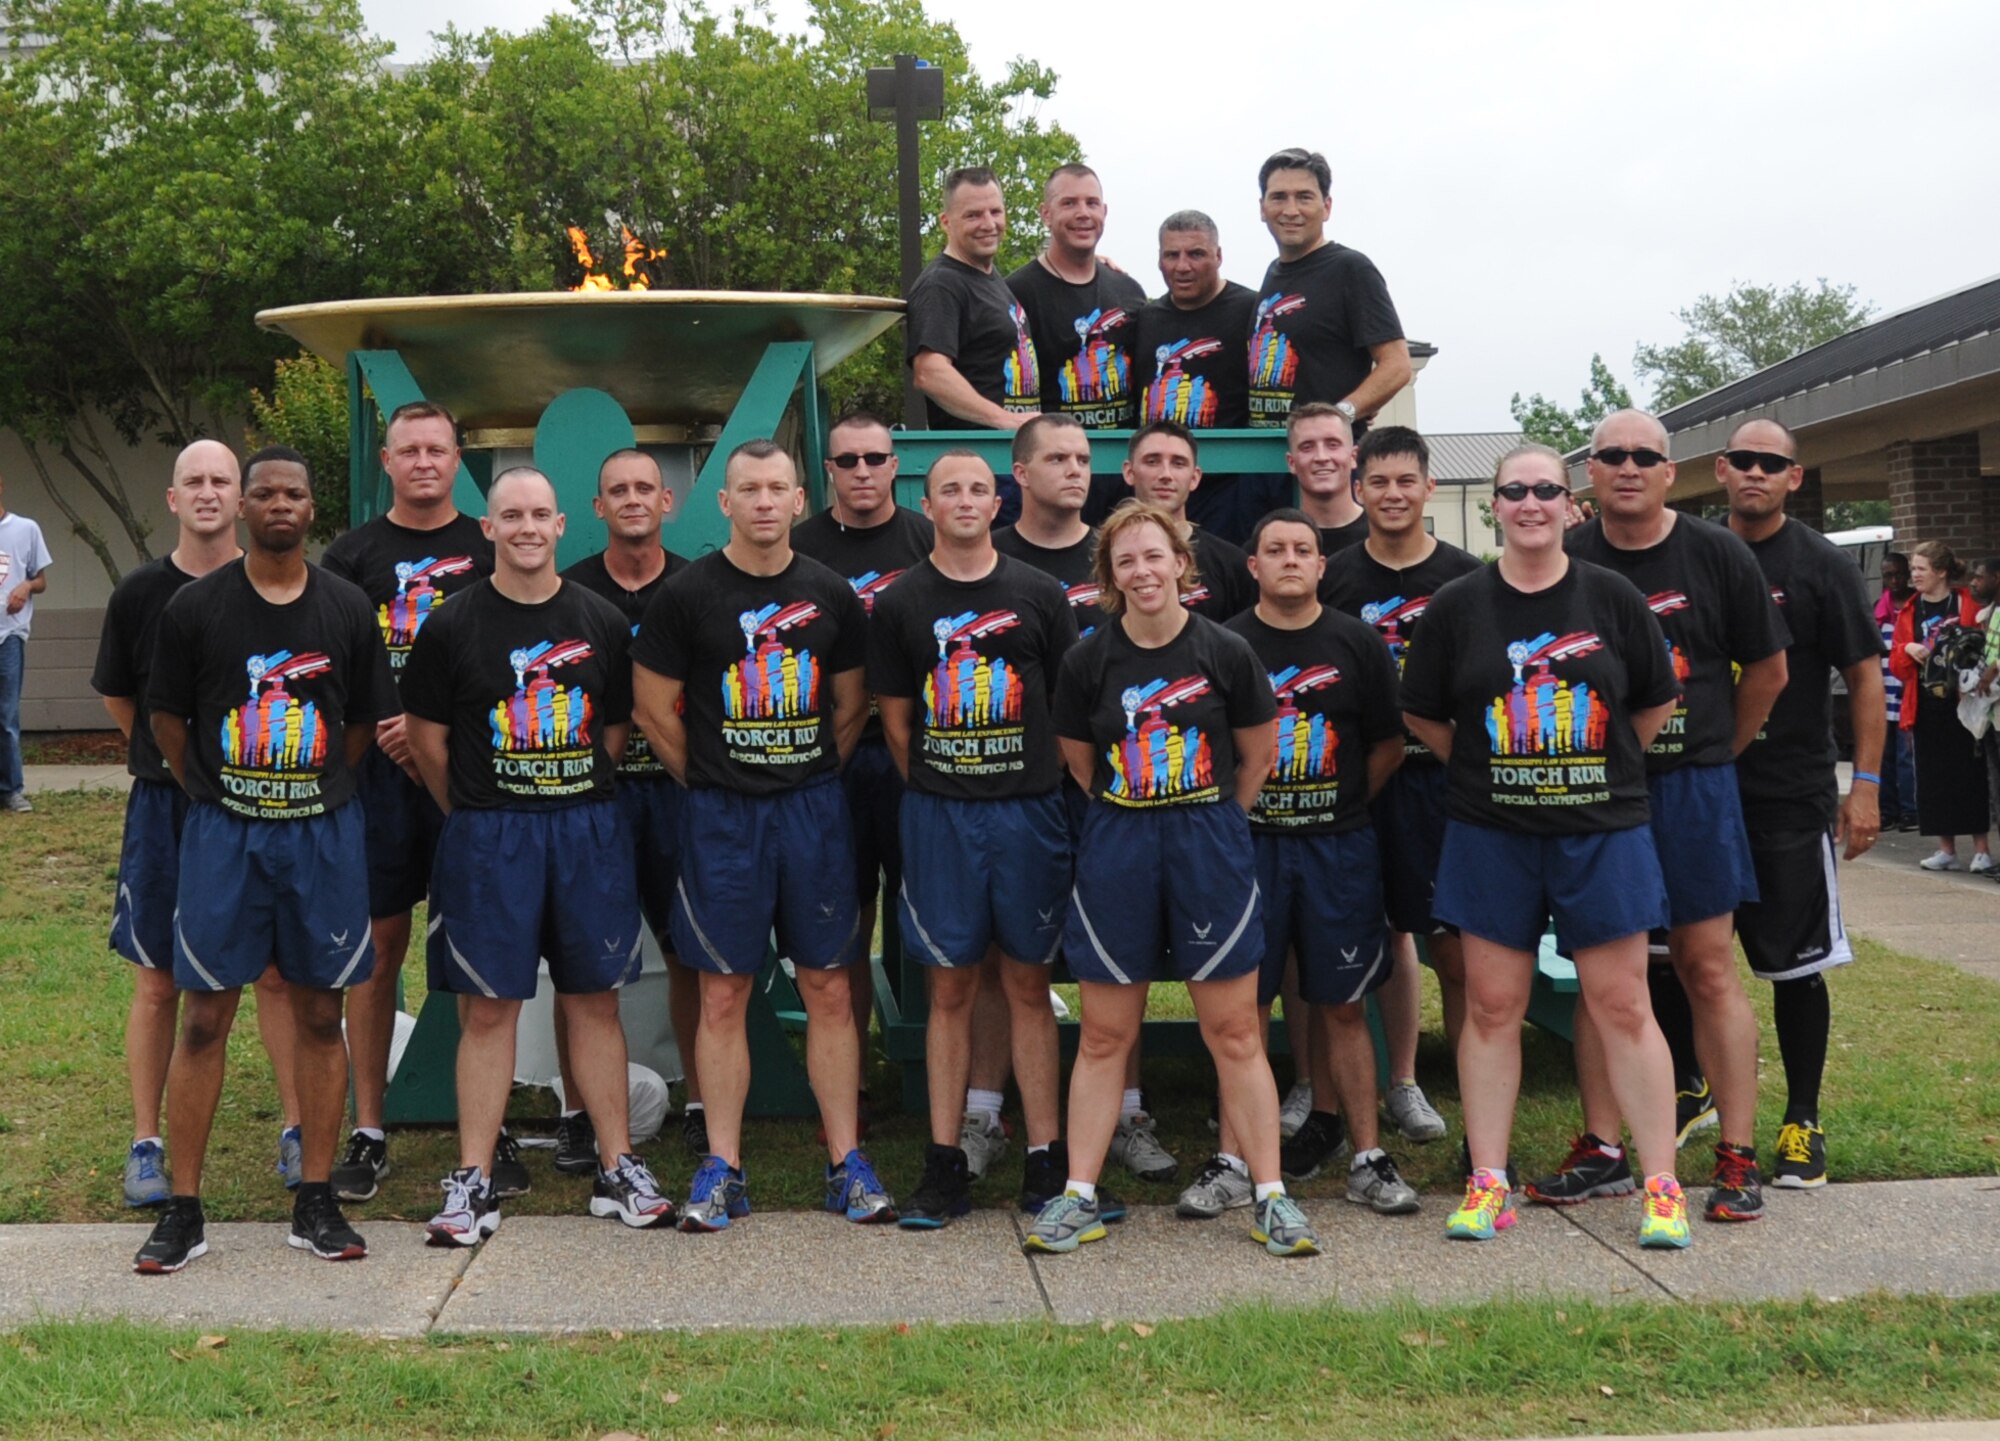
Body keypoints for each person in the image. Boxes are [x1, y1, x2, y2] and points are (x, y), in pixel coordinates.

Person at [1400, 444, 1690, 1250]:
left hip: (1602, 831)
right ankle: (1488, 1181)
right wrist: (1495, 764)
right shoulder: (1459, 604)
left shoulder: (1612, 595)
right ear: (1493, 505)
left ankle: (1662, 1186)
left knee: (1623, 1004)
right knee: (1492, 1006)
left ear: (1571, 505)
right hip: (1493, 832)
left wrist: (1591, 770)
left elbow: (1655, 704)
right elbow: (1425, 713)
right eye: (1514, 490)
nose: (1530, 502)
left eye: (1545, 491)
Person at [134, 446, 398, 1273]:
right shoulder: (196, 608)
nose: (279, 503)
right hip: (224, 833)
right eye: (264, 492)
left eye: (294, 493)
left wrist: (309, 789)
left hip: (320, 833)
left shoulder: (348, 607)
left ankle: (315, 1199)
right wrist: (218, 792)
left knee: (321, 1013)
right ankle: (184, 1206)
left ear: (312, 510)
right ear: (244, 508)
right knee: (204, 1014)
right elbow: (168, 722)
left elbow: (357, 727)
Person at [1032, 501, 1319, 1259]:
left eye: (1154, 556)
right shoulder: (1088, 661)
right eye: (1126, 561)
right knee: (1103, 1032)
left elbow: (1256, 757)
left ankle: (1271, 1196)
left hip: (1208, 842)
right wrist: (1138, 811)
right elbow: (1080, 762)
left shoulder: (1224, 651)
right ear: (1109, 577)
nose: (1142, 571)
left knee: (1233, 1028)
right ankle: (1079, 1196)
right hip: (1119, 841)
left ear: (1181, 564)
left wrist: (1209, 820)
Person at [401, 466, 670, 1242]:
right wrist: (479, 811)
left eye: (539, 514)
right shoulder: (451, 624)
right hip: (490, 833)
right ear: (488, 528)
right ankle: (473, 1179)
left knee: (595, 999)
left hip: (585, 827)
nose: (525, 526)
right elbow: (427, 739)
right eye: (509, 514)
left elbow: (613, 732)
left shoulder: (599, 620)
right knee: (489, 1009)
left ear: (561, 526)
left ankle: (618, 1166)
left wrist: (568, 787)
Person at [630, 441, 889, 1230]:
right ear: (725, 502)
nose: (766, 501)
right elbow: (652, 709)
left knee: (830, 987)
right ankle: (724, 1164)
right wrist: (712, 778)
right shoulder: (687, 594)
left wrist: (802, 773)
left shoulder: (829, 591)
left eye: (779, 487)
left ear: (800, 496)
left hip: (812, 812)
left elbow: (850, 708)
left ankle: (845, 1160)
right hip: (720, 817)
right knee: (722, 991)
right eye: (750, 488)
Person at [1551, 410, 1788, 1226]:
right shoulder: (1568, 555)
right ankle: (1603, 1146)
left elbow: (1768, 668)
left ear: (1670, 470)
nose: (1626, 466)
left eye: (1642, 455)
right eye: (1610, 455)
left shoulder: (1716, 552)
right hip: (1596, 795)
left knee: (1707, 967)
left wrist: (1721, 750)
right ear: (1590, 471)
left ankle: (1736, 1156)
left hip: (1692, 788)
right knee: (1602, 975)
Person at [867, 450, 1079, 1225]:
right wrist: (947, 781)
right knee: (949, 986)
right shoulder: (902, 602)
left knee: (1028, 983)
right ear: (927, 503)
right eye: (949, 488)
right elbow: (895, 724)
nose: (964, 499)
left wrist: (1025, 775)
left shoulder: (1039, 592)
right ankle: (945, 1159)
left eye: (978, 488)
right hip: (941, 815)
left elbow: (1066, 707)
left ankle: (1044, 1160)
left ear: (1000, 500)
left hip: (1027, 813)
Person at [94, 440, 304, 1208]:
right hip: (169, 807)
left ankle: (297, 1128)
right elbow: (124, 698)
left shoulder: (280, 586)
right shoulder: (141, 593)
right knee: (159, 983)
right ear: (174, 499)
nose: (210, 492)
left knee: (278, 975)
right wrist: (174, 767)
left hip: (267, 806)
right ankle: (146, 1141)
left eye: (223, 479)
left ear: (244, 500)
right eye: (196, 481)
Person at [1190, 507, 1415, 1224]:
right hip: (1246, 847)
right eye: (1274, 548)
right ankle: (1233, 1161)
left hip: (1337, 844)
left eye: (1303, 549)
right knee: (1242, 1008)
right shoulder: (1224, 645)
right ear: (1251, 565)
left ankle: (1368, 1157)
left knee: (1343, 1006)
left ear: (1323, 564)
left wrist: (1341, 803)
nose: (1290, 558)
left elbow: (1385, 746)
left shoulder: (1356, 643)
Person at [988, 417, 1178, 1187]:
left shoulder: (1122, 551)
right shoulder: (990, 552)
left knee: (1118, 955)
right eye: (1056, 458)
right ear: (1020, 471)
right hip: (1016, 787)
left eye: (1082, 457)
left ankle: (1128, 1111)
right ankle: (984, 1107)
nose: (1074, 469)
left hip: (1117, 794)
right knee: (1006, 958)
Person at [321, 401, 498, 1204]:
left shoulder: (487, 544)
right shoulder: (352, 555)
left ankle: (483, 1136)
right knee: (378, 951)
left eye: (437, 448)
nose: (424, 460)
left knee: (471, 954)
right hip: (378, 783)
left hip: (465, 778)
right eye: (408, 449)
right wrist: (380, 728)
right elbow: (328, 666)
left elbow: (504, 655)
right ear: (385, 461)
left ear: (458, 457)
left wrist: (434, 733)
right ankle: (369, 1128)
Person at [1716, 419, 1886, 1189]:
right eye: (1743, 460)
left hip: (1788, 793)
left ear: (1794, 475)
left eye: (1771, 463)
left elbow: (1864, 678)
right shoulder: (1694, 553)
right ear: (1720, 470)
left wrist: (1868, 788)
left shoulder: (1820, 564)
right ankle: (1694, 1088)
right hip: (1694, 791)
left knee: (1796, 967)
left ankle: (1802, 1120)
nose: (1756, 472)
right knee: (1677, 956)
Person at [1317, 426, 1477, 1168]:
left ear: (1427, 487)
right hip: (1352, 783)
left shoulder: (1466, 580)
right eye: (1376, 481)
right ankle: (1319, 1093)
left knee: (1453, 941)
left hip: (1440, 784)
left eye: (1404, 481)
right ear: (1358, 487)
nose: (1390, 494)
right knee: (1355, 934)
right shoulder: (1333, 577)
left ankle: (1429, 1083)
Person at [791, 411, 935, 1120]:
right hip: (835, 755)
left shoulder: (930, 539)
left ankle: (945, 1071)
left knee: (934, 915)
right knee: (841, 918)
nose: (861, 472)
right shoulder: (800, 547)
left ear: (895, 462)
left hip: (922, 753)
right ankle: (849, 1078)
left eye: (874, 458)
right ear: (829, 471)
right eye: (845, 461)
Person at [558, 448, 694, 1169]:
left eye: (646, 487)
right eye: (619, 490)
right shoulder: (570, 591)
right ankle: (577, 1112)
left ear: (666, 502)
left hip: (675, 795)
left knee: (689, 952)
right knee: (581, 962)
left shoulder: (696, 587)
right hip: (596, 799)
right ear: (597, 508)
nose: (634, 498)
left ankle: (702, 1102)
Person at [1006, 164, 1148, 525]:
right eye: (1069, 203)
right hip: (1052, 476)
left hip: (1121, 474)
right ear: (1046, 214)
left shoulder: (1128, 289)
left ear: (1104, 212)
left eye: (1091, 203)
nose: (1083, 213)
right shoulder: (1017, 291)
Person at [906, 166, 1039, 519]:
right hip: (979, 472)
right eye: (973, 215)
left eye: (995, 211)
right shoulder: (942, 285)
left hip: (1012, 465)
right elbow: (929, 372)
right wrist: (1004, 420)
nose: (989, 223)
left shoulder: (992, 279)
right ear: (946, 222)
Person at [1248, 147, 1411, 432]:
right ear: (1262, 208)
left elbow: (1397, 365)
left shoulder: (1351, 269)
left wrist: (1342, 415)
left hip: (1326, 462)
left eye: (1304, 197)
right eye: (1278, 197)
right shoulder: (1272, 274)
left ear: (1327, 207)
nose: (1290, 210)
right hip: (1268, 458)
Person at [1131, 210, 1266, 542]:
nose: (1182, 266)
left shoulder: (1251, 310)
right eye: (1171, 255)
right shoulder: (1145, 318)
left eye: (1196, 254)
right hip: (1158, 487)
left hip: (1229, 486)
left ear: (1218, 256)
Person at [1890, 540, 1991, 872]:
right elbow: (1897, 663)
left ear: (1941, 572)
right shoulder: (1910, 609)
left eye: (1920, 569)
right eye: (1913, 569)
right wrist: (1907, 650)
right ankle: (1945, 849)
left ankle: (1981, 849)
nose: (1914, 575)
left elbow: (1982, 644)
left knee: (1971, 773)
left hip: (1965, 700)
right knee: (1932, 775)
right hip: (1925, 701)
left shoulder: (1966, 602)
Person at [1121, 420, 1253, 623]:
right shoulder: (1106, 558)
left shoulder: (1231, 563)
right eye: (1152, 461)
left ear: (1195, 478)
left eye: (1178, 463)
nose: (1165, 475)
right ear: (1129, 473)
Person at [0, 467, 52, 813]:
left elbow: (41, 580)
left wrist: (25, 586)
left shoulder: (25, 529)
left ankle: (12, 789)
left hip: (10, 635)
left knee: (6, 716)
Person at [1287, 403, 1368, 555]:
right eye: (1307, 447)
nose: (1321, 457)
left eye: (1332, 445)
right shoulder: (1274, 544)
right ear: (1291, 463)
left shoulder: (1384, 536)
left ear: (1353, 457)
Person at [1874, 552, 1918, 829]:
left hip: (1907, 692)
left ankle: (1910, 811)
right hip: (1882, 692)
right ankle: (1887, 810)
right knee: (1885, 755)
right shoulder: (1878, 609)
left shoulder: (1916, 607)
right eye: (1888, 575)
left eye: (1899, 574)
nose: (1894, 580)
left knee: (1906, 756)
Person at [1973, 558, 2000, 866]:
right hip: (1991, 712)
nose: (1975, 583)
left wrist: (1995, 667)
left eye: (1980, 577)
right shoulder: (1989, 614)